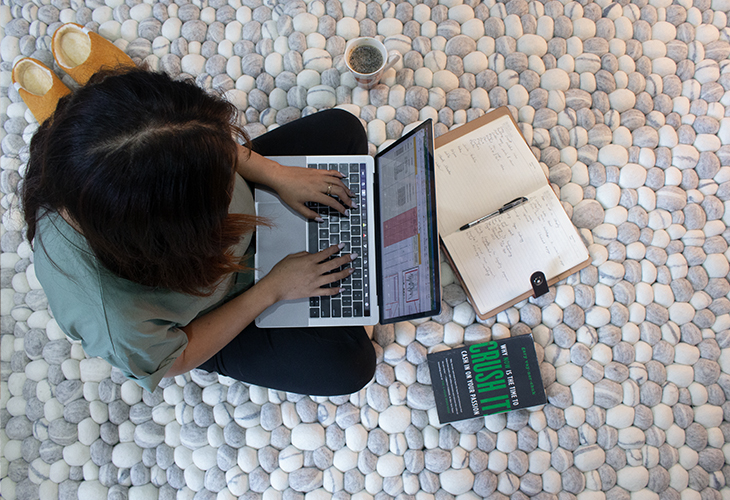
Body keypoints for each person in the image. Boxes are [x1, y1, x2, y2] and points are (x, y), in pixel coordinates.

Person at [17, 26, 377, 395]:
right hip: (216, 306)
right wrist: (272, 290)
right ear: (176, 234)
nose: (230, 184)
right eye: (220, 193)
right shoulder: (114, 319)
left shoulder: (178, 144)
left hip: (183, 199)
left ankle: (86, 130)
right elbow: (176, 359)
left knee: (344, 130)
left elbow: (207, 141)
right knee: (351, 366)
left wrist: (277, 174)